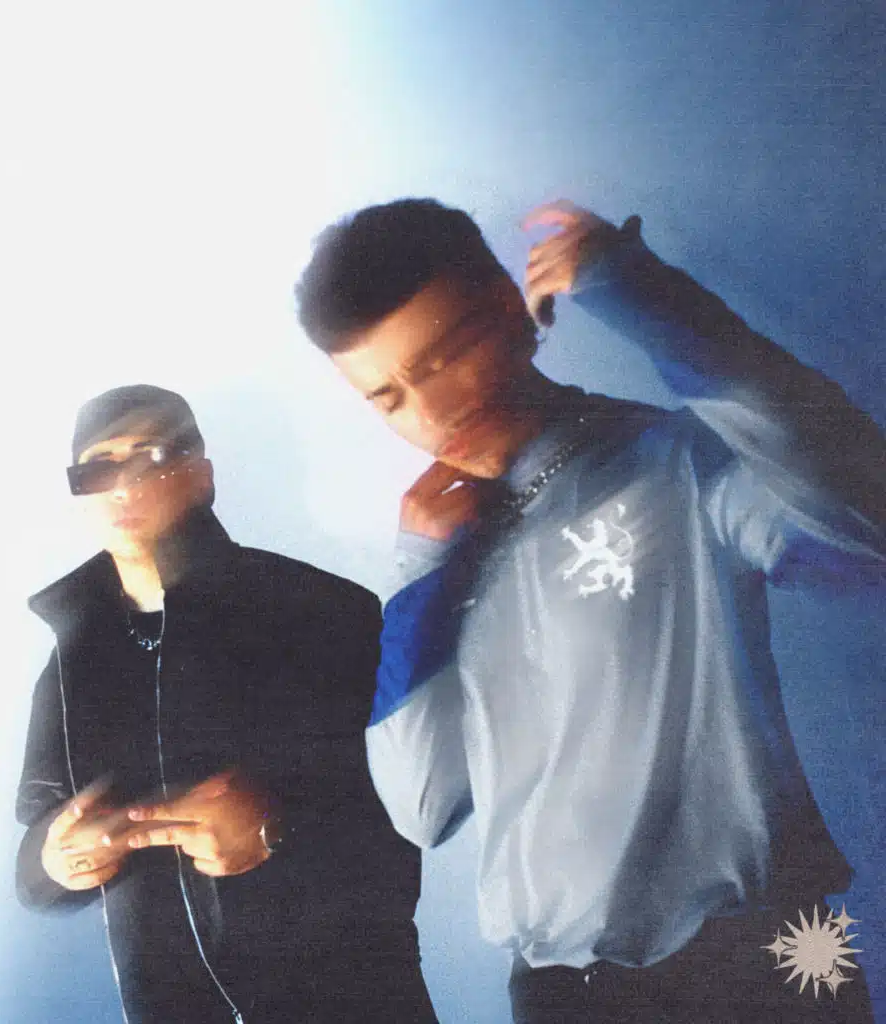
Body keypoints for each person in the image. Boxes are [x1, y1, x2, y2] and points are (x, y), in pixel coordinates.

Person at [294, 199, 885, 1022]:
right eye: (388, 396)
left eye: (442, 359)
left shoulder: (679, 462)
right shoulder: (439, 554)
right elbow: (421, 807)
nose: (429, 413)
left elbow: (864, 521)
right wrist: (421, 574)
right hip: (560, 991)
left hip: (773, 955)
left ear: (510, 308)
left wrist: (650, 299)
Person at [14, 385, 439, 1024]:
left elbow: (416, 810)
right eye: (100, 468)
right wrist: (55, 862)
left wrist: (277, 826)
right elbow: (35, 856)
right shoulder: (74, 659)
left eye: (151, 456)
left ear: (202, 475)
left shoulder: (319, 609)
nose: (125, 484)